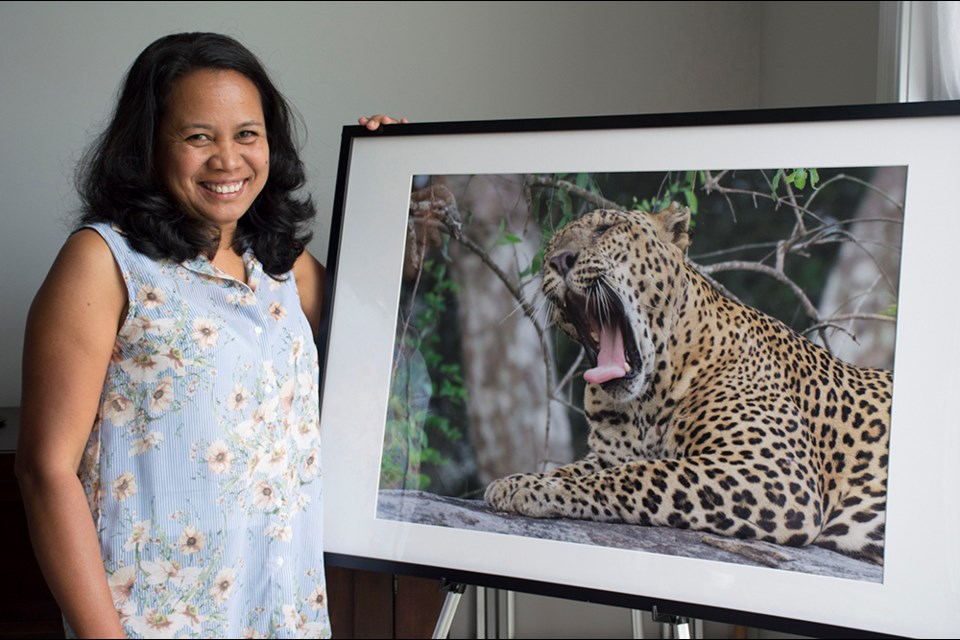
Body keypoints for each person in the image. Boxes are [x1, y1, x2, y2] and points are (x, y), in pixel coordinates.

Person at [15, 32, 402, 639]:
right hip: (155, 620)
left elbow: (386, 341)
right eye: (199, 137)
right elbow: (45, 471)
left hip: (285, 613)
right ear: (148, 145)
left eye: (247, 134)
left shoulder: (279, 263)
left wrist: (396, 178)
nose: (228, 159)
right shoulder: (103, 262)